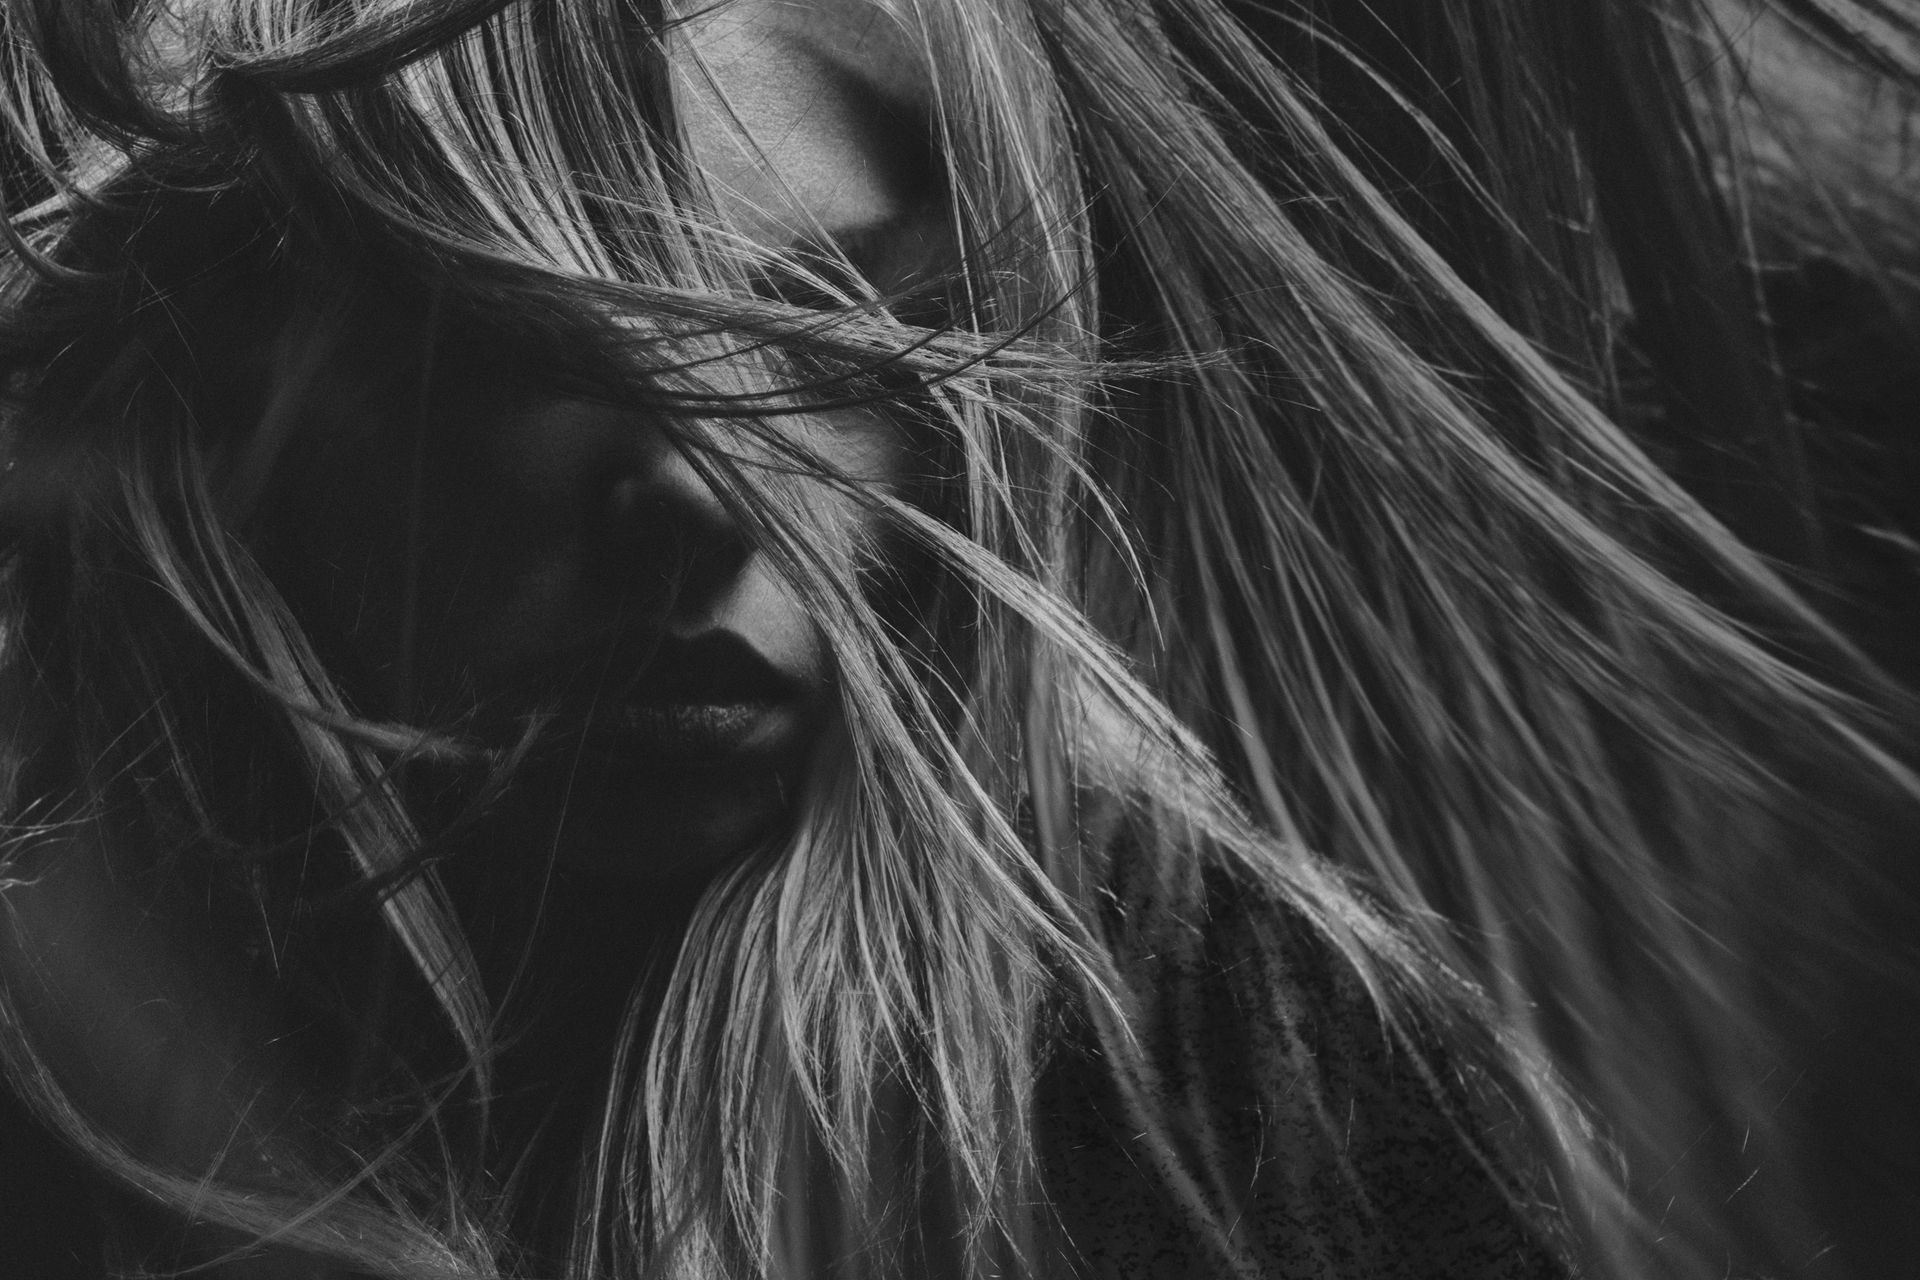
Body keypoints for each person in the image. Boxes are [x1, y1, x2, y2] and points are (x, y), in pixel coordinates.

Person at [0, 0, 1913, 1276]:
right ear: (247, 420)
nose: (687, 494)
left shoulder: (1209, 1063)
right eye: (502, 351)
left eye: (811, 324)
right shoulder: (98, 1087)